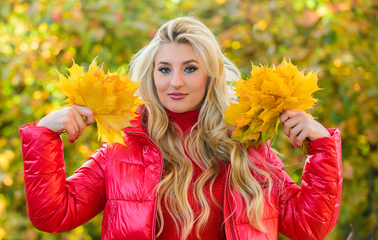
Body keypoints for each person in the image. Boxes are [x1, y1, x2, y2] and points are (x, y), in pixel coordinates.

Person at [19, 17, 342, 240]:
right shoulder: (124, 147)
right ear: (152, 75)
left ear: (210, 76)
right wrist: (44, 134)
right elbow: (54, 215)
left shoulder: (245, 145)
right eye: (164, 69)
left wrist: (323, 147)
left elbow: (308, 226)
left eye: (189, 68)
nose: (175, 82)